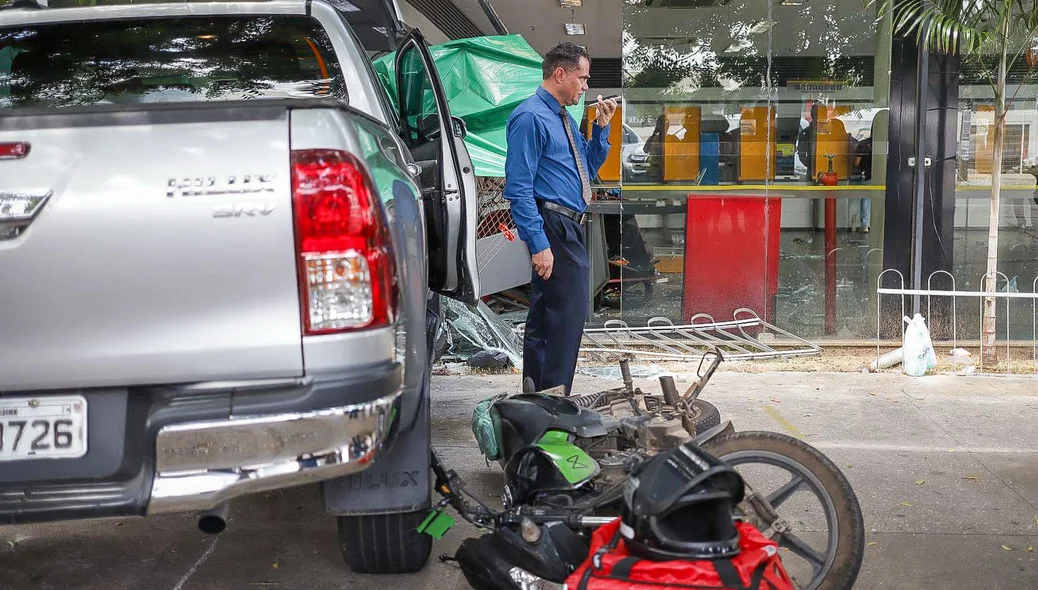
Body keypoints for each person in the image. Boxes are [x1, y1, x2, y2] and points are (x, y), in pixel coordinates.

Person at [503, 41, 617, 395]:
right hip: (552, 225)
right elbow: (518, 189)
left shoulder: (562, 118)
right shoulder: (531, 118)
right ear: (560, 74)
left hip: (568, 225)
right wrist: (539, 244)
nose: (585, 87)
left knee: (547, 315)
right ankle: (554, 399)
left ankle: (536, 393)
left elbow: (587, 170)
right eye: (582, 79)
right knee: (565, 319)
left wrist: (601, 129)